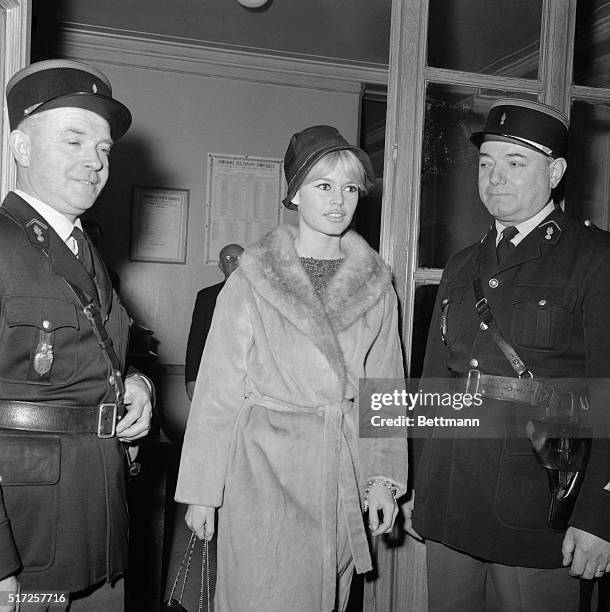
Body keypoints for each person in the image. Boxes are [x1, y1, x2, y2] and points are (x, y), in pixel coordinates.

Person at [175, 125, 408, 611]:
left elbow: (384, 387)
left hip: (338, 468)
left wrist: (382, 479)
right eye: (323, 186)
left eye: (349, 188)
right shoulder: (252, 279)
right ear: (295, 193)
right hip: (262, 473)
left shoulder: (377, 284)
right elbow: (218, 389)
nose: (338, 201)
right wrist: (202, 492)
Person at [407, 99, 610, 611]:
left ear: (556, 172)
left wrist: (599, 516)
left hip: (537, 508)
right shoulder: (461, 265)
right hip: (451, 495)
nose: (495, 178)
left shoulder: (595, 259)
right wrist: (418, 486)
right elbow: (434, 385)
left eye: (515, 163)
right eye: (486, 163)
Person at [0, 59, 153, 612]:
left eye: (105, 148)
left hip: (100, 528)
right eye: (75, 139)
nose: (95, 160)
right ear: (20, 147)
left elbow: (89, 358)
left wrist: (135, 382)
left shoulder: (84, 251)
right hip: (27, 542)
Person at [184, 243, 244, 400]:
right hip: (214, 377)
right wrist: (191, 378)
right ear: (221, 266)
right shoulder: (206, 297)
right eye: (230, 259)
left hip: (249, 381)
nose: (236, 263)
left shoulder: (261, 296)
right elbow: (196, 340)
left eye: (240, 258)